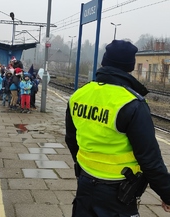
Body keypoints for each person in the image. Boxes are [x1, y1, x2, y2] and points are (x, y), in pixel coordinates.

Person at [65, 40, 170, 216]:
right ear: (130, 66)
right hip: (118, 193)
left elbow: (71, 139)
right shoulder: (132, 103)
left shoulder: (78, 96)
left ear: (104, 62)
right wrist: (167, 193)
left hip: (85, 183)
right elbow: (150, 158)